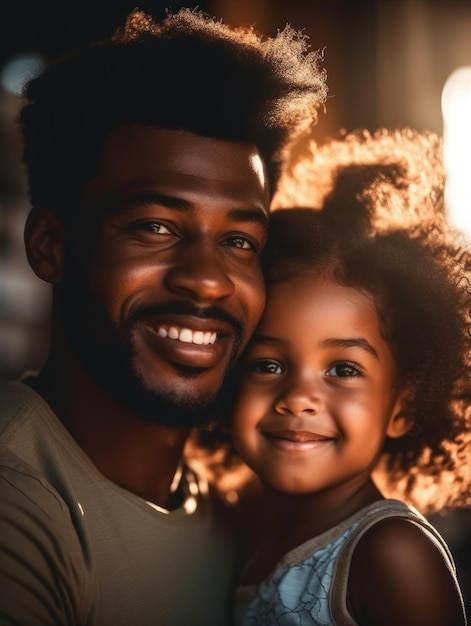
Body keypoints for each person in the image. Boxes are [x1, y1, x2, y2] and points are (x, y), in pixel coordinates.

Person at [0, 7, 327, 626]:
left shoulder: (239, 520)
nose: (206, 279)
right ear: (51, 246)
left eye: (239, 242)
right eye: (155, 227)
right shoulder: (18, 501)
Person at [229, 131, 471, 625]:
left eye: (343, 369)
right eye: (267, 364)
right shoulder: (234, 524)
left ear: (402, 404)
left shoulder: (390, 553)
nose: (298, 398)